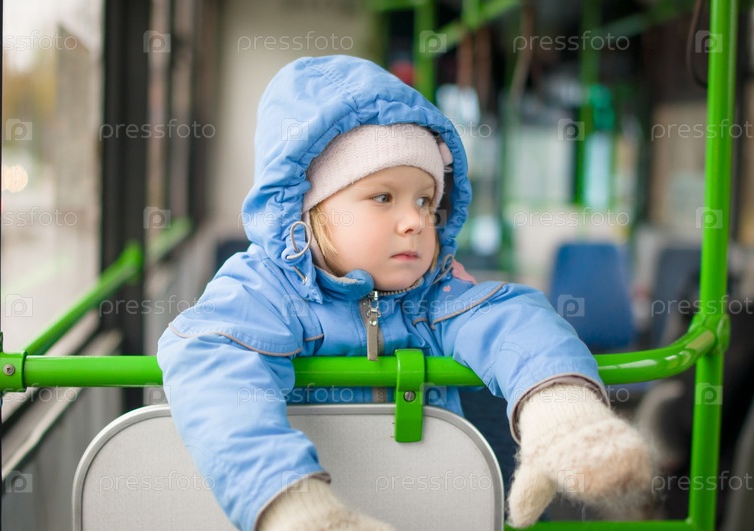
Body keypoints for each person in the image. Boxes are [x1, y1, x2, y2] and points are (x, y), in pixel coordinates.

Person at [157, 55, 652, 531]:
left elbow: (511, 320)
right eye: (383, 197)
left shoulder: (432, 295)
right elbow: (212, 362)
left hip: (429, 510)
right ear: (309, 209)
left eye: (425, 200)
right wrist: (292, 504)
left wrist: (557, 409)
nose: (415, 220)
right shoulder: (264, 291)